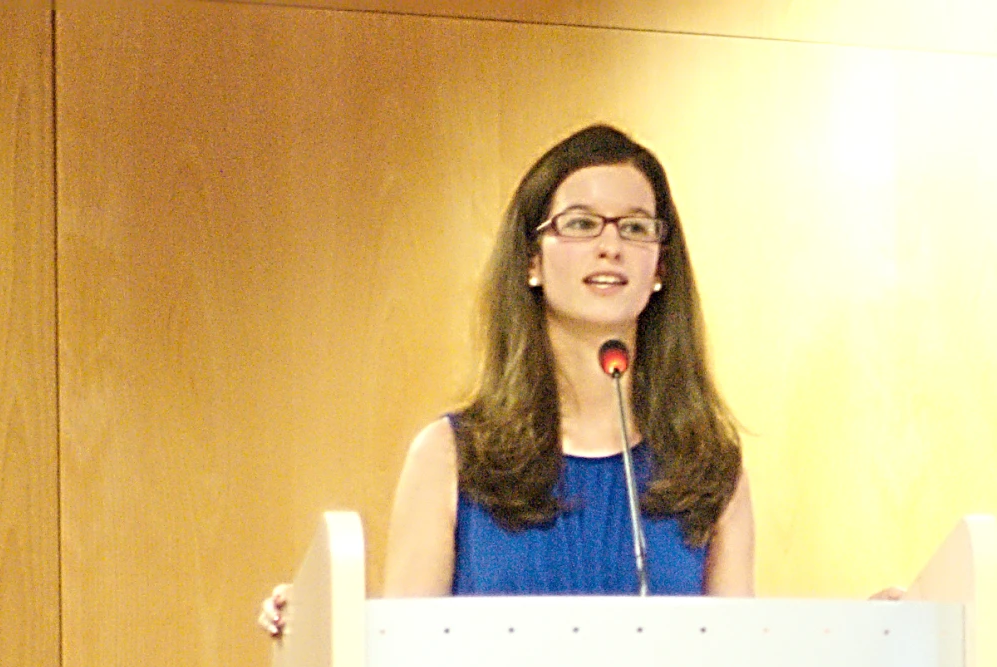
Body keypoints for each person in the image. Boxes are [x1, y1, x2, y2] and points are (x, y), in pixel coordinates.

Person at [261, 122, 753, 634]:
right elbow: (406, 665)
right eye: (582, 224)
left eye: (634, 227)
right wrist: (330, 627)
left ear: (660, 269)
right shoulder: (451, 458)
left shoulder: (708, 469)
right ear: (531, 261)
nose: (611, 246)